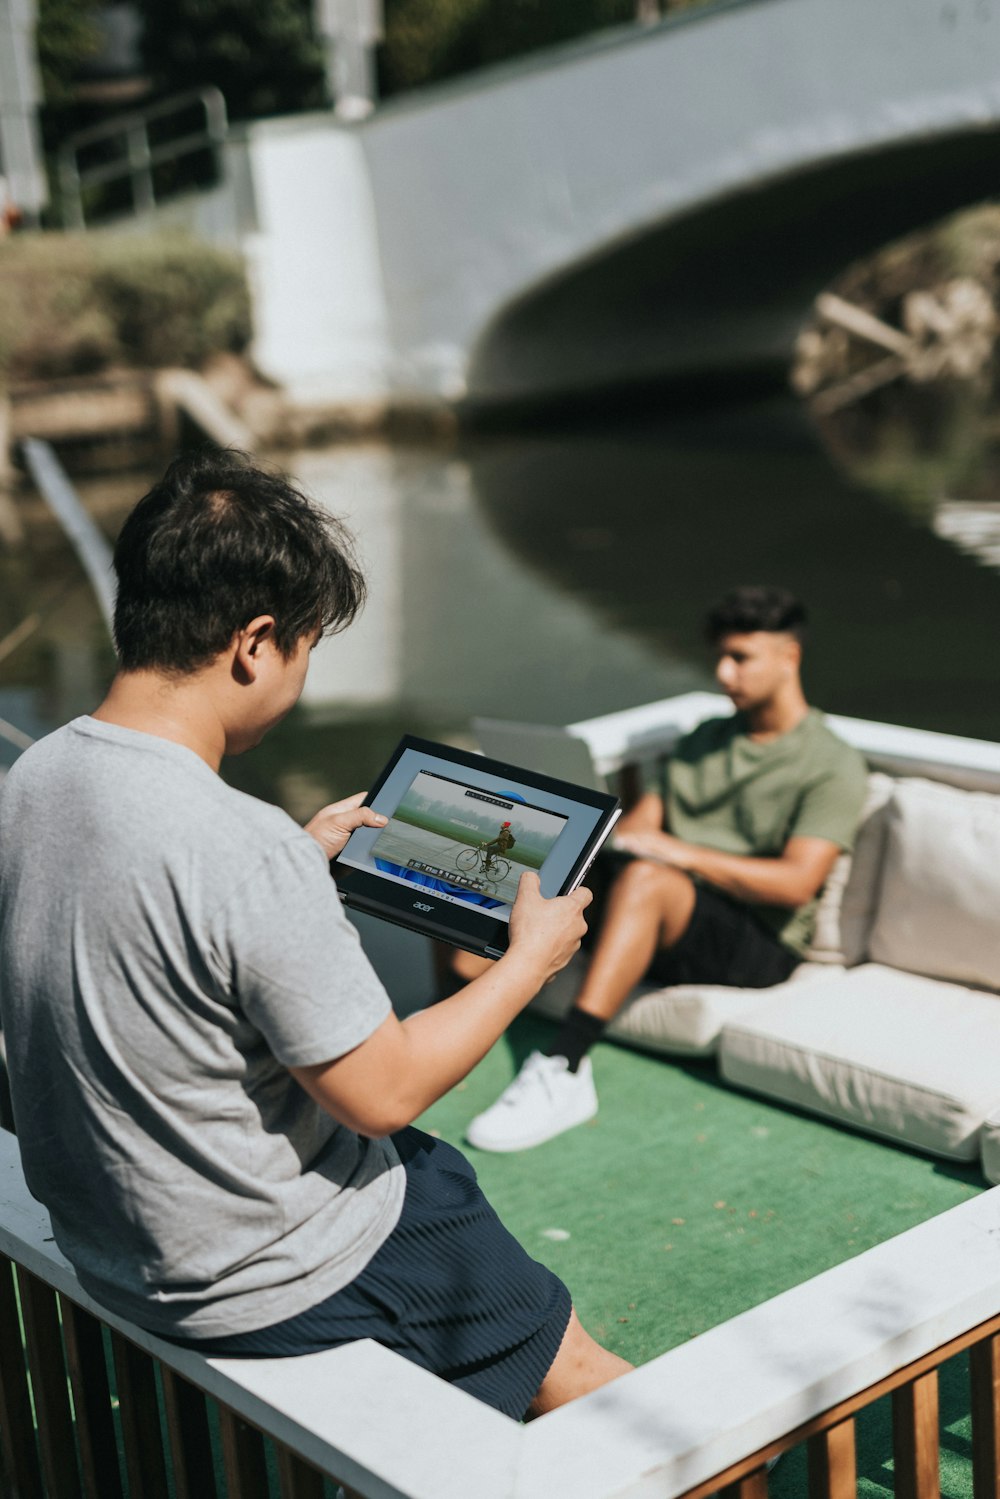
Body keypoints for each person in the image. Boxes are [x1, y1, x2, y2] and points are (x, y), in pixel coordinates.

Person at [0, 449, 630, 1421]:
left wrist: (293, 858)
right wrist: (530, 959)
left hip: (125, 1250)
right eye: (304, 647)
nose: (295, 672)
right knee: (581, 1370)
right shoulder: (240, 847)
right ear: (255, 642)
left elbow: (151, 918)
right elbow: (381, 1092)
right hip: (273, 1268)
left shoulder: (35, 780)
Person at [465, 586, 869, 1153]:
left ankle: (566, 1065)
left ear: (789, 657)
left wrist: (679, 854)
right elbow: (640, 834)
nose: (725, 673)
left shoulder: (830, 762)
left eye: (741, 658)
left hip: (756, 942)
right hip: (664, 909)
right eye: (720, 658)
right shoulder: (701, 740)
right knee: (524, 863)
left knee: (651, 878)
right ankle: (456, 1011)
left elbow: (796, 883)